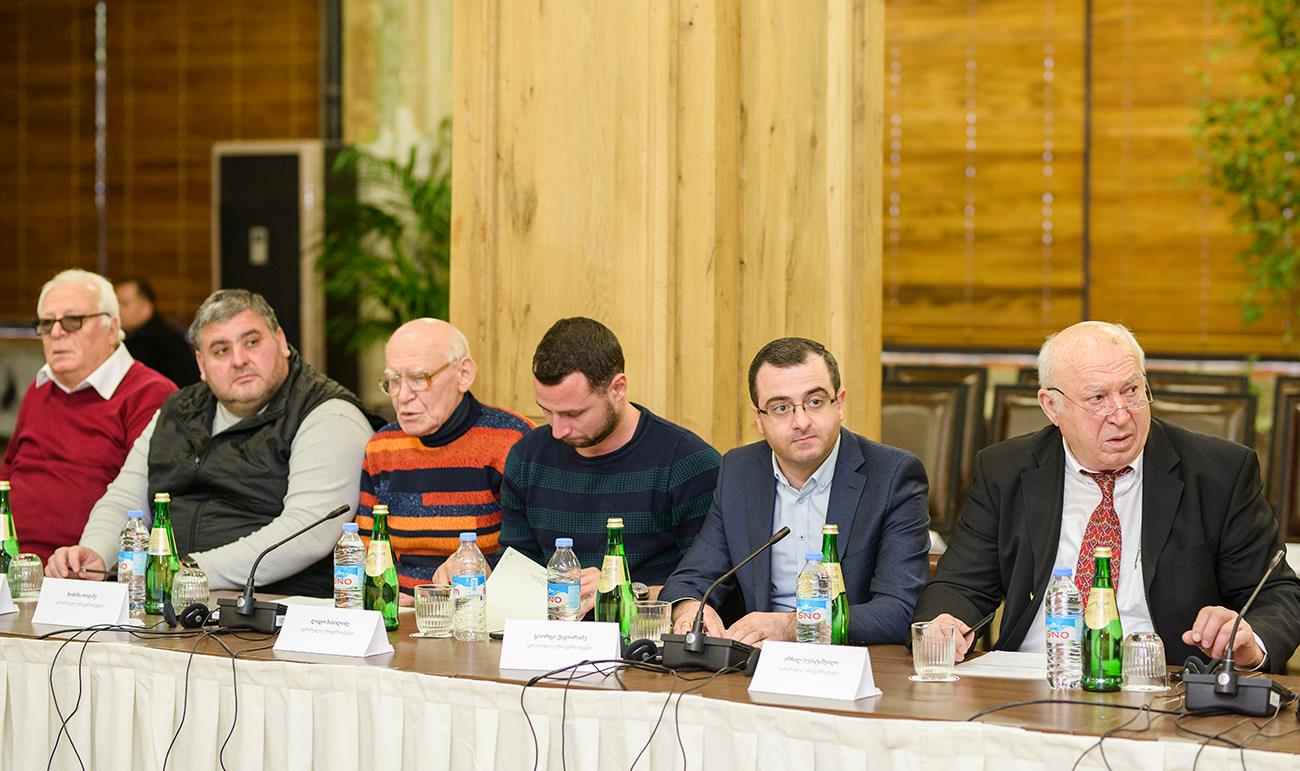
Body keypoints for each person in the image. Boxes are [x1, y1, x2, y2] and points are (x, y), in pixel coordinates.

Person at [914, 321, 1300, 671]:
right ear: (1051, 406)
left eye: (1131, 390)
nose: (1121, 414)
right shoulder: (1005, 470)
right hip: (1030, 675)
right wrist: (945, 622)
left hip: (1164, 685)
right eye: (1098, 398)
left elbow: (1276, 594)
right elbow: (961, 585)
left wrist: (1251, 642)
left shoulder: (1219, 472)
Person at [46, 289, 384, 596]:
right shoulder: (177, 410)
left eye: (252, 343)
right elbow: (124, 500)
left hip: (272, 608)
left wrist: (191, 571)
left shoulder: (327, 413)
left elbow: (308, 532)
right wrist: (94, 555)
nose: (239, 360)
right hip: (168, 599)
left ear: (281, 341)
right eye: (221, 350)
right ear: (202, 365)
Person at [659, 338, 931, 646]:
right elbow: (692, 578)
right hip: (757, 661)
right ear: (759, 419)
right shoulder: (740, 472)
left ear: (839, 404)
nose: (801, 422)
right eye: (781, 408)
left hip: (852, 661)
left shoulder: (892, 475)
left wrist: (793, 626)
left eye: (815, 402)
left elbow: (899, 610)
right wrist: (690, 609)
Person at [499, 317, 721, 615]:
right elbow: (516, 566)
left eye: (573, 414)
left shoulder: (688, 463)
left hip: (645, 634)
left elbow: (711, 587)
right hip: (549, 632)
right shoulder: (527, 456)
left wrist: (625, 591)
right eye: (547, 411)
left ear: (618, 388)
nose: (558, 430)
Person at [1, 270, 176, 563]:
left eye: (73, 320)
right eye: (47, 323)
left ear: (112, 328)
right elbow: (8, 474)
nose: (57, 332)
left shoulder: (150, 394)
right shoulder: (40, 387)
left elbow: (148, 502)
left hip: (83, 569)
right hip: (13, 563)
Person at [356, 318, 532, 600]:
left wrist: (481, 569)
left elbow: (533, 558)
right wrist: (383, 595)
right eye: (393, 381)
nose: (402, 396)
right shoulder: (383, 447)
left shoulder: (511, 441)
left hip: (476, 608)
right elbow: (367, 549)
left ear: (464, 374)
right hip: (401, 608)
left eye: (419, 378)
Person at [115, 276, 202, 387]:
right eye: (116, 304)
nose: (118, 310)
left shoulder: (166, 340)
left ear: (146, 306)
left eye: (124, 304)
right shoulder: (126, 338)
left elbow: (188, 385)